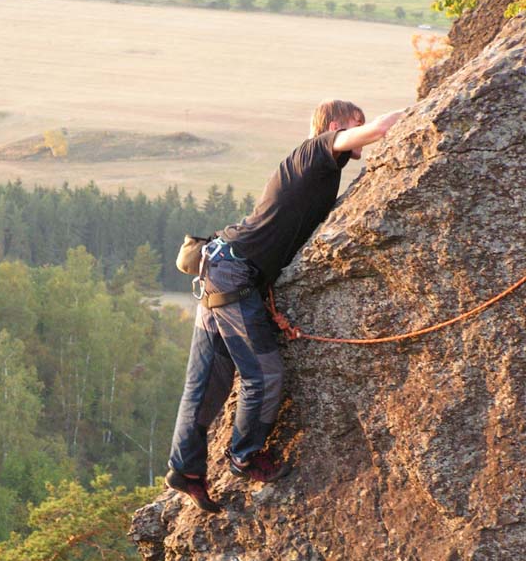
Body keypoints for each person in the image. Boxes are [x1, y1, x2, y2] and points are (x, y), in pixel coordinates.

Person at [165, 100, 404, 512]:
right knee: (264, 375)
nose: (360, 129)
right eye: (354, 122)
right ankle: (244, 455)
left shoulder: (314, 171)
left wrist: (271, 307)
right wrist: (410, 116)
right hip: (232, 274)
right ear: (332, 126)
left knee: (209, 381)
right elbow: (377, 131)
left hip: (224, 269)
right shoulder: (314, 152)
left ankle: (184, 470)